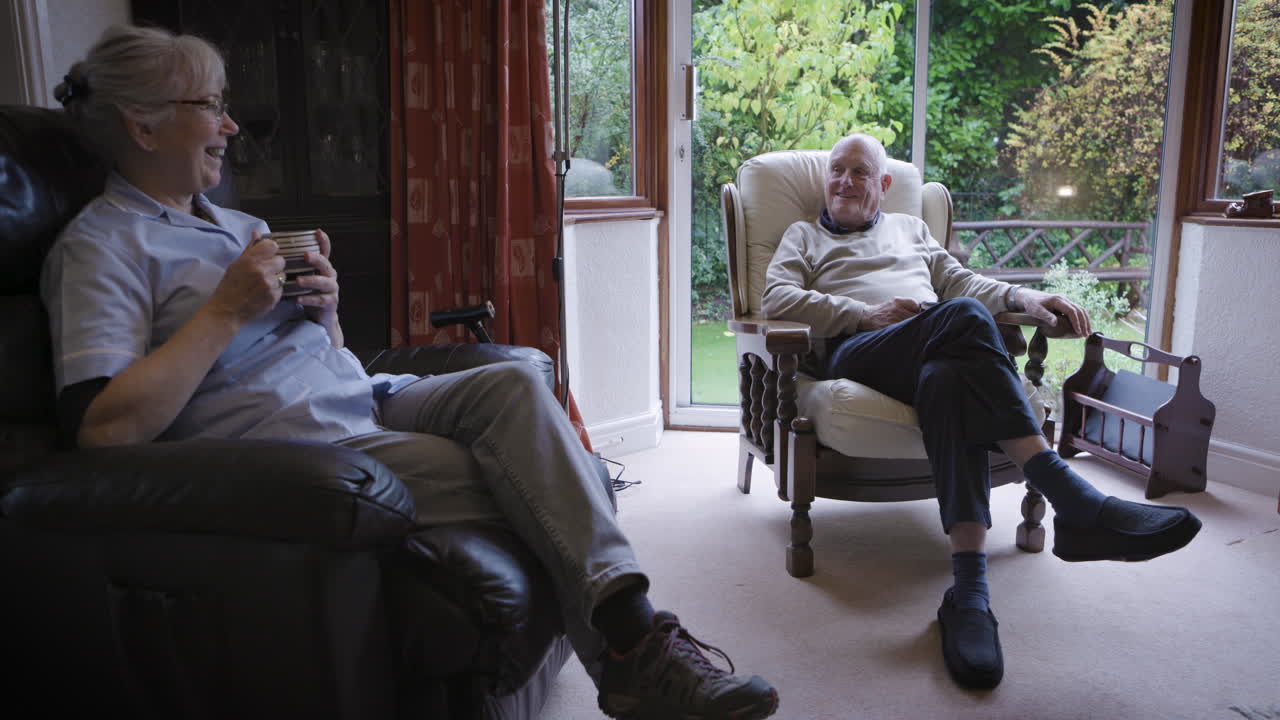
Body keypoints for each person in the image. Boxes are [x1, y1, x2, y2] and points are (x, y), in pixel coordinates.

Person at [42, 24, 779, 720]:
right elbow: (102, 428)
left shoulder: (239, 227)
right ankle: (636, 649)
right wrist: (225, 312)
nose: (231, 127)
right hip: (298, 450)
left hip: (360, 398)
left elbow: (317, 353)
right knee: (562, 471)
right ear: (142, 127)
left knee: (518, 387)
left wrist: (324, 313)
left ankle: (631, 653)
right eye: (211, 107)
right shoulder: (101, 247)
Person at [761, 133, 1202, 690]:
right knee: (966, 317)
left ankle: (968, 596)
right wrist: (862, 313)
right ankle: (1073, 497)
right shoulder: (803, 235)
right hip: (858, 352)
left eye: (859, 173)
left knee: (949, 377)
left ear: (884, 185)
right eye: (837, 171)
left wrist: (1025, 301)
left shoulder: (912, 230)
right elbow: (775, 298)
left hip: (929, 348)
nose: (844, 182)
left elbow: (962, 281)